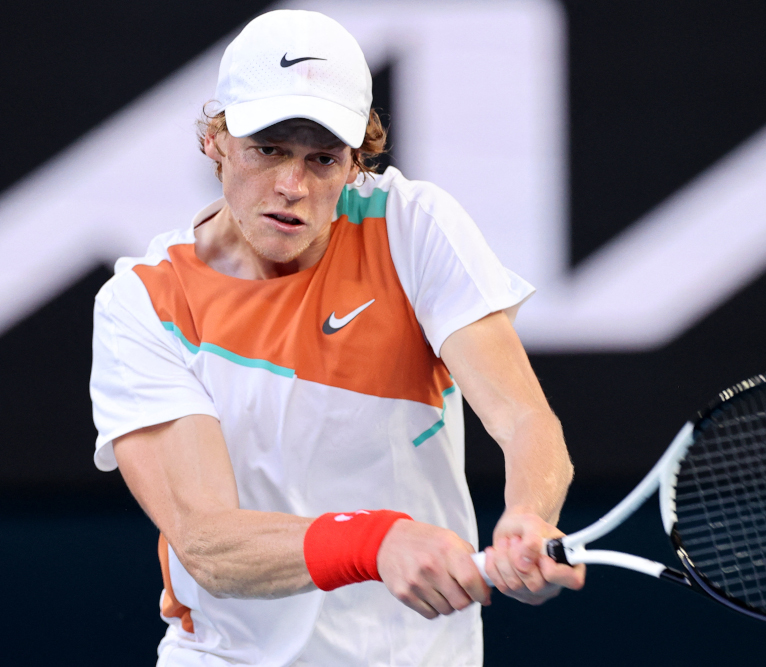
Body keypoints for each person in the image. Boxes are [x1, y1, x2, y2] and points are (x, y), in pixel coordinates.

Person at [89, 8, 584, 667]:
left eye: (322, 158)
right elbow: (206, 540)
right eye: (268, 149)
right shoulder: (145, 302)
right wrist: (375, 541)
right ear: (217, 140)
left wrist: (528, 510)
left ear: (357, 161)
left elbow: (525, 419)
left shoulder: (410, 227)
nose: (292, 186)